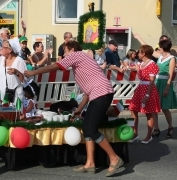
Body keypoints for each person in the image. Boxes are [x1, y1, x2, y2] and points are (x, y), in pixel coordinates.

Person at [25, 40, 124, 177]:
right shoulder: (83, 59)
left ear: (71, 49)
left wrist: (34, 72)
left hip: (101, 94)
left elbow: (54, 67)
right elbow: (88, 93)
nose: (64, 54)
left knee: (90, 129)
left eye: (65, 51)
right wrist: (80, 108)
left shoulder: (76, 55)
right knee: (87, 127)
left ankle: (114, 158)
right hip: (100, 93)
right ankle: (90, 164)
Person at [128, 45, 160, 144]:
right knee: (133, 109)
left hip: (148, 90)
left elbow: (151, 81)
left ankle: (149, 135)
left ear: (144, 53)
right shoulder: (142, 63)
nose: (138, 54)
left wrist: (147, 95)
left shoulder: (152, 64)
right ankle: (135, 134)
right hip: (140, 88)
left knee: (149, 113)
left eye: (140, 52)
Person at [151, 40, 176, 138]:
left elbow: (170, 74)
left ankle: (170, 127)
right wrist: (138, 38)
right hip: (157, 83)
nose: (158, 48)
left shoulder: (172, 58)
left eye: (160, 47)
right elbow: (150, 49)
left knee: (165, 108)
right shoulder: (160, 56)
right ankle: (156, 129)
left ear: (163, 48)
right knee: (154, 108)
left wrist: (167, 88)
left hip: (165, 83)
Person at [0, 40, 26, 106]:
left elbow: (25, 80)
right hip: (1, 96)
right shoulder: (0, 59)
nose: (1, 48)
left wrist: (16, 72)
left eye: (3, 47)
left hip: (15, 96)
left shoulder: (19, 61)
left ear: (10, 50)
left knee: (14, 115)